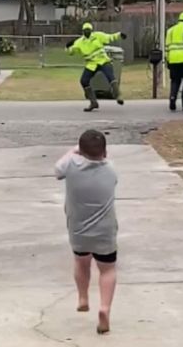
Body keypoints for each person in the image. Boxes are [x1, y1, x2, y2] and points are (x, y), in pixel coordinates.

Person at [55, 130, 118, 334]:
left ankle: (83, 298)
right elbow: (105, 163)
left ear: (80, 151)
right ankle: (104, 308)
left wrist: (73, 151)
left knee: (81, 262)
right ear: (105, 152)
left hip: (78, 230)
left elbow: (57, 170)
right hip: (105, 232)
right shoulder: (111, 169)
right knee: (107, 269)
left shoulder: (71, 165)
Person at [66, 23, 127, 112]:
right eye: (85, 30)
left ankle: (118, 96)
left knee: (111, 76)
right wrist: (68, 47)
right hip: (91, 65)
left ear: (91, 30)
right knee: (84, 81)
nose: (87, 32)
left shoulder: (98, 36)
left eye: (89, 30)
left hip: (103, 61)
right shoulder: (79, 42)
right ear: (83, 31)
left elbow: (109, 37)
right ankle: (93, 102)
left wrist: (119, 35)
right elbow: (71, 52)